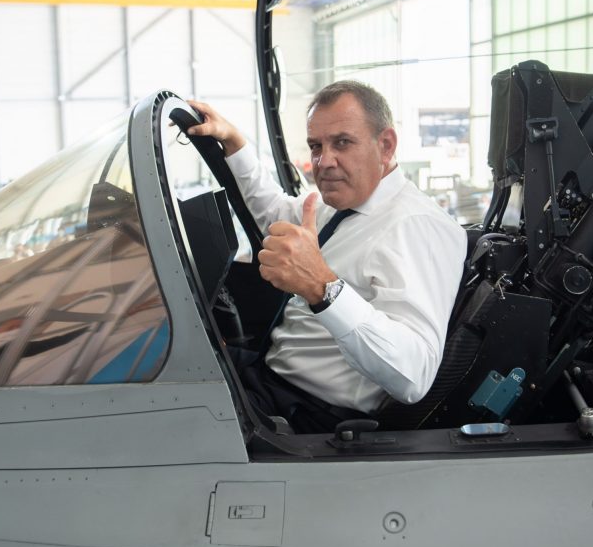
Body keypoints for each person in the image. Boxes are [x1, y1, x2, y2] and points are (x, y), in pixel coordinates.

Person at [187, 81, 467, 433]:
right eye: (316, 146)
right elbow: (273, 211)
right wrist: (233, 141)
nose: (324, 162)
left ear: (386, 145)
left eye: (342, 143)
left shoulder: (417, 227)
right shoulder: (340, 203)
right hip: (267, 381)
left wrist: (322, 288)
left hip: (310, 416)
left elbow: (415, 373)